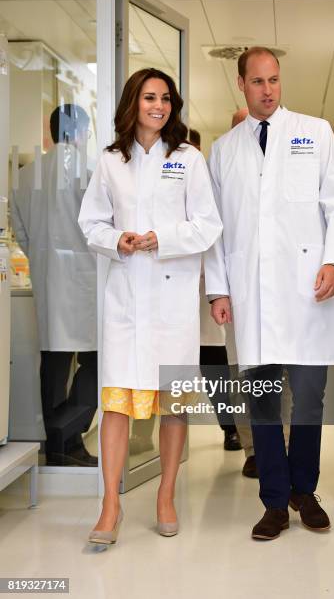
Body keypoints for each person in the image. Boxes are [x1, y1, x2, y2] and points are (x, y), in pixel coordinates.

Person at [205, 46, 334, 540]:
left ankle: (303, 491)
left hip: (310, 292)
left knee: (310, 400)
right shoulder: (224, 150)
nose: (268, 90)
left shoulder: (315, 133)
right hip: (254, 298)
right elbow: (217, 229)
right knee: (264, 403)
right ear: (241, 85)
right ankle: (273, 500)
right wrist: (219, 291)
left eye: (274, 80)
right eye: (258, 82)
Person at [78, 68, 222, 544]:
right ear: (132, 104)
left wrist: (164, 237)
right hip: (126, 299)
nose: (158, 106)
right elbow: (90, 222)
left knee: (173, 404)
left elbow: (207, 225)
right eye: (148, 98)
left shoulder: (188, 158)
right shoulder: (110, 161)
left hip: (172, 300)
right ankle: (110, 505)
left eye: (165, 98)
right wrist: (117, 238)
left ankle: (165, 494)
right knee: (116, 406)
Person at [11, 104, 98, 467]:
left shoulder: (25, 175)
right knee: (99, 363)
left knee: (53, 365)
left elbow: (21, 233)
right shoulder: (90, 172)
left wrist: (44, 262)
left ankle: (62, 444)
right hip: (86, 282)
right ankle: (66, 436)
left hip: (48, 281)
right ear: (80, 133)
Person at [189, 128, 242, 451]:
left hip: (206, 288)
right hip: (172, 290)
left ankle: (230, 428)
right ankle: (146, 437)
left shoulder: (211, 185)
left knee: (214, 368)